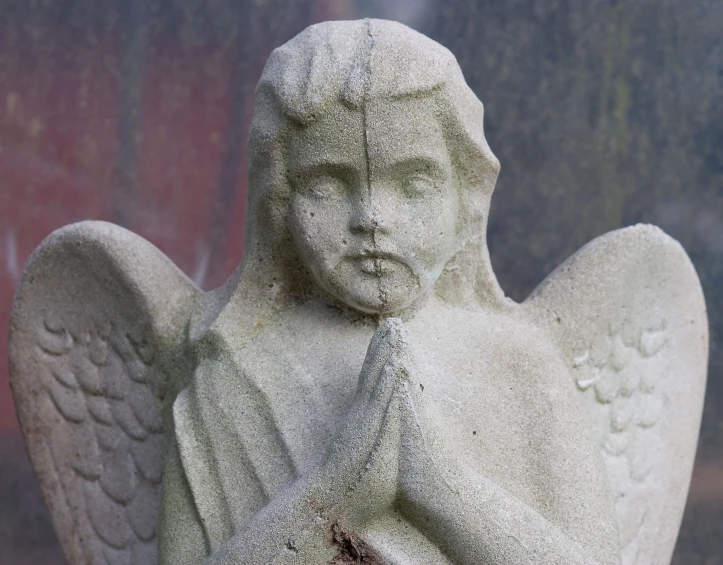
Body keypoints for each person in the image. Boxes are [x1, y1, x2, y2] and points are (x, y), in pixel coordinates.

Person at [159, 19, 620, 565]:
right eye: (327, 184)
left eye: (416, 184)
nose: (373, 219)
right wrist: (336, 495)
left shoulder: (521, 368)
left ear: (465, 198)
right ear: (278, 203)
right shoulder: (232, 374)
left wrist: (439, 488)